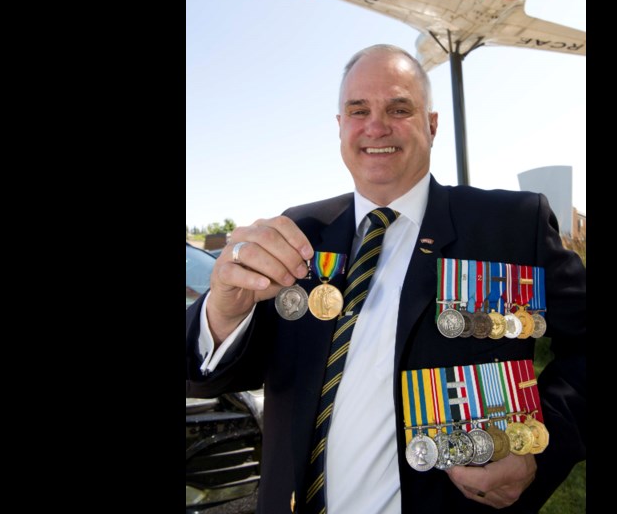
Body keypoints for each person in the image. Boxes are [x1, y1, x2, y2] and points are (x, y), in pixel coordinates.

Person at [185, 44, 586, 513]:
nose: (376, 126)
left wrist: (540, 446)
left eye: (399, 108)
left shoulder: (511, 223)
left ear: (432, 125)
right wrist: (222, 311)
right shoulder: (299, 232)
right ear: (340, 128)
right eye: (359, 110)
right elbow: (216, 374)